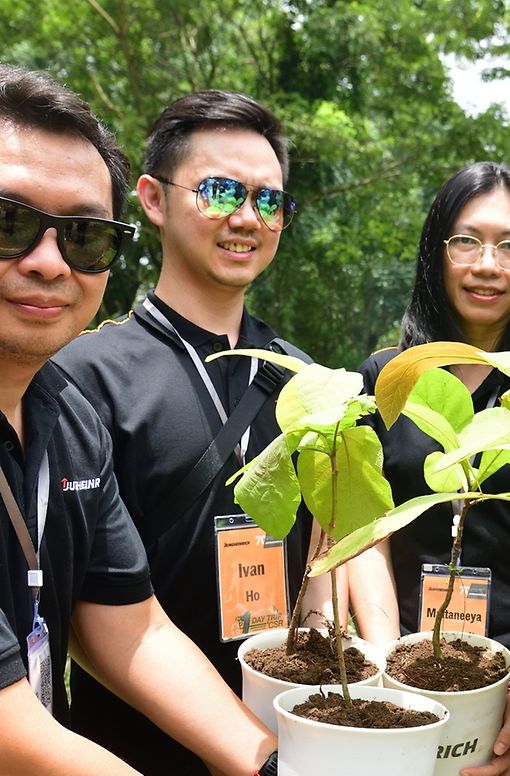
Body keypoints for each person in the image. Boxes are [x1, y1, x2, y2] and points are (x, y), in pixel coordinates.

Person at [0, 63, 277, 775]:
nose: (47, 262)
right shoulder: (100, 376)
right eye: (8, 222)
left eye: (83, 236)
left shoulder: (66, 421)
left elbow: (132, 626)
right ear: (157, 204)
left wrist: (270, 762)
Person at [52, 90, 328, 772]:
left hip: (290, 737)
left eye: (270, 202)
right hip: (131, 747)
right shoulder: (79, 376)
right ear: (151, 198)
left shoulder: (307, 380)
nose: (247, 218)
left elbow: (322, 548)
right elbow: (90, 611)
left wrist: (323, 643)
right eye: (221, 191)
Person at [348, 161, 510, 774]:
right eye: (466, 240)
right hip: (406, 663)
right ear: (435, 253)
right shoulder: (388, 378)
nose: (487, 264)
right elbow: (367, 536)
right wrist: (390, 668)